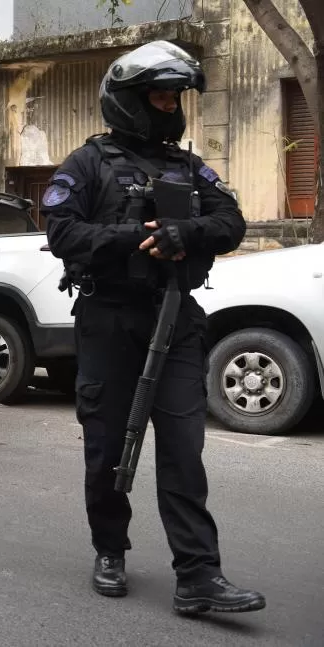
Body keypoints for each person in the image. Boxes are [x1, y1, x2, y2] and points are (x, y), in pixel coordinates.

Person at [41, 40, 265, 614]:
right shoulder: (87, 163)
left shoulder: (190, 167)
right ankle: (110, 549)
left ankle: (198, 576)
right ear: (129, 100)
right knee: (108, 446)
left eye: (174, 97)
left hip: (176, 317)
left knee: (185, 450)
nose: (170, 106)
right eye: (160, 95)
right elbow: (62, 234)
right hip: (109, 319)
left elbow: (230, 221)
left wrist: (184, 234)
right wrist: (133, 236)